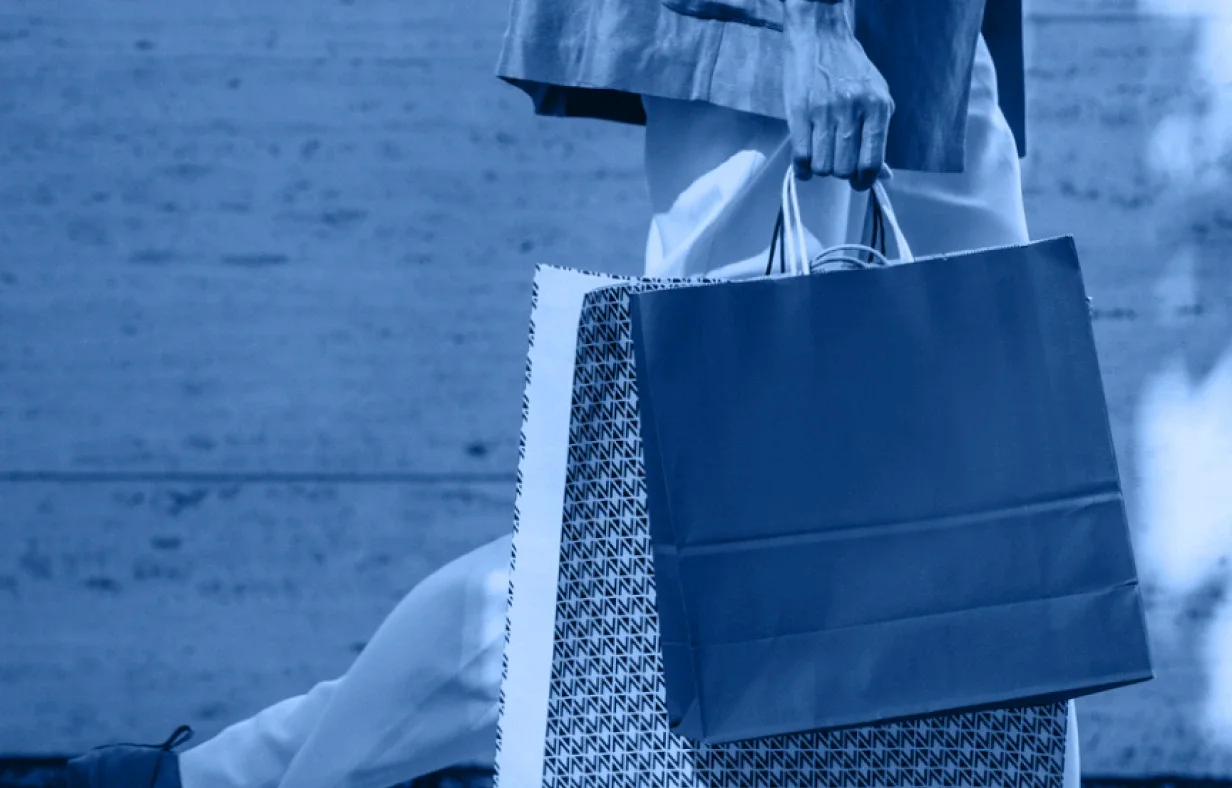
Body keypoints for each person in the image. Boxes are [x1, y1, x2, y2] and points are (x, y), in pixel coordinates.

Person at [67, 0, 1084, 786]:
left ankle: (209, 777)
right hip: (781, 38)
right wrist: (815, 27)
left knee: (975, 500)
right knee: (661, 558)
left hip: (915, 30)